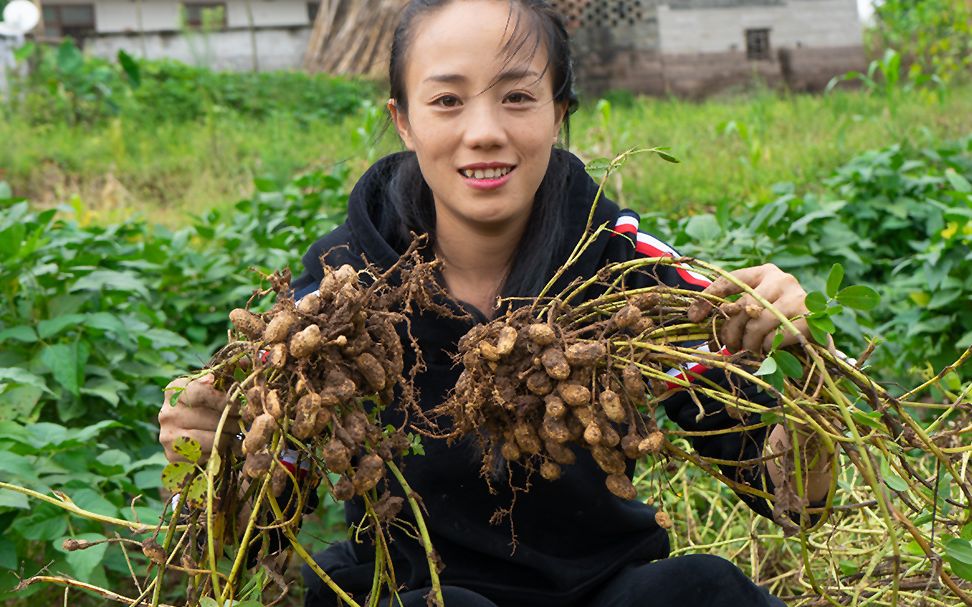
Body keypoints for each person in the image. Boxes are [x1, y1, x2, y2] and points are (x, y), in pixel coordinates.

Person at [159, 1, 833, 605]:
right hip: (408, 591)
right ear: (403, 120)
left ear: (559, 112)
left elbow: (789, 497)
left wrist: (809, 376)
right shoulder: (340, 293)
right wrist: (207, 459)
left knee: (702, 589)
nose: (484, 131)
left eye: (517, 97)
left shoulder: (622, 270)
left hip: (598, 586)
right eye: (447, 101)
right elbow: (248, 536)